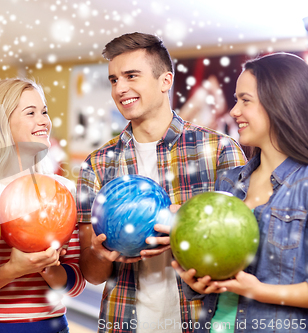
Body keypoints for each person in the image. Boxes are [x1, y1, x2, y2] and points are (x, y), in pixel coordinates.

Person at [76, 32, 247, 333]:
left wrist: (188, 228)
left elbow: (244, 251)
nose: (121, 88)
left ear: (165, 81)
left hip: (202, 322)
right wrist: (101, 254)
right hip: (123, 322)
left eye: (131, 76)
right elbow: (92, 274)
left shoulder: (220, 150)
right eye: (114, 80)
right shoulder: (97, 164)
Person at [173, 52, 308, 333]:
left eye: (245, 100)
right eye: (236, 100)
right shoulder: (229, 182)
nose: (234, 111)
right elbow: (215, 271)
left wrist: (259, 291)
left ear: (280, 102)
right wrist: (197, 282)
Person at [0, 78, 86, 333]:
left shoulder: (64, 191)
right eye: (31, 113)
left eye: (44, 112)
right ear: (1, 123)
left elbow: (76, 283)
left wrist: (49, 269)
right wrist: (13, 270)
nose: (44, 121)